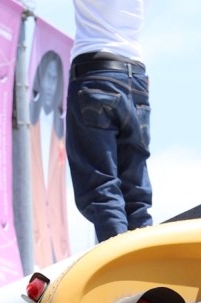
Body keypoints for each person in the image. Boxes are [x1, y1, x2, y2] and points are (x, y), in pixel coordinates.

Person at [66, 1, 153, 242]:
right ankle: (147, 265)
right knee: (135, 196)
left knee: (101, 189)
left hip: (96, 73)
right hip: (135, 78)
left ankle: (120, 269)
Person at [29, 50, 70, 267]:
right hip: (34, 238)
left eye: (55, 79)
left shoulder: (61, 133)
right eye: (47, 77)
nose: (50, 86)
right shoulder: (28, 129)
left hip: (58, 240)